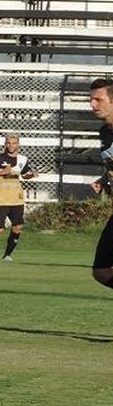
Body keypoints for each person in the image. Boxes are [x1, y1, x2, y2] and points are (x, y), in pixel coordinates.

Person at [88, 78, 113, 291]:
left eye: (98, 99)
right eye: (91, 99)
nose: (93, 105)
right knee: (102, 271)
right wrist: (104, 180)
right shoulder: (104, 132)